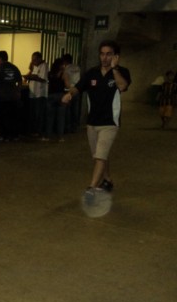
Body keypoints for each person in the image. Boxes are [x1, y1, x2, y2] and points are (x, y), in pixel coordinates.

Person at [62, 40, 131, 202]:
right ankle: (107, 180)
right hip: (92, 122)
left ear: (115, 56)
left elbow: (122, 86)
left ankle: (92, 187)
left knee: (100, 155)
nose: (105, 57)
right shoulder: (92, 73)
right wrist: (70, 94)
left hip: (110, 123)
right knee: (99, 155)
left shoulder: (122, 72)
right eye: (102, 54)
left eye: (109, 54)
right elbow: (78, 87)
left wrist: (114, 68)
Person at [0, 50, 22, 141]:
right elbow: (19, 81)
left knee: (2, 117)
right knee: (12, 117)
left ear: (0, 58)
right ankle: (13, 136)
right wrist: (18, 91)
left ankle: (2, 136)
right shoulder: (14, 67)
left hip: (2, 96)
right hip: (13, 97)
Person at [23, 51, 48, 137]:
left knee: (38, 114)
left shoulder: (44, 65)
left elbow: (42, 79)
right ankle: (33, 130)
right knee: (33, 113)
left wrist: (31, 77)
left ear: (40, 59)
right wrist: (30, 70)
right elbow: (29, 75)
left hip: (40, 94)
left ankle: (39, 131)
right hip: (32, 93)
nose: (33, 61)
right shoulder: (34, 66)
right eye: (32, 59)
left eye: (35, 59)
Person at [43, 57, 68, 142]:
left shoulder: (50, 73)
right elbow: (67, 85)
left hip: (51, 95)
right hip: (61, 96)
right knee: (60, 118)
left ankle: (47, 136)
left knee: (49, 117)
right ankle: (60, 137)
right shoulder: (63, 74)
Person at [62, 53, 81, 133]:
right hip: (77, 90)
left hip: (69, 90)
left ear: (65, 61)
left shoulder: (66, 69)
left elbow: (64, 79)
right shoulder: (77, 67)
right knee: (75, 110)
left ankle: (68, 127)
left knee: (68, 110)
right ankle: (75, 127)